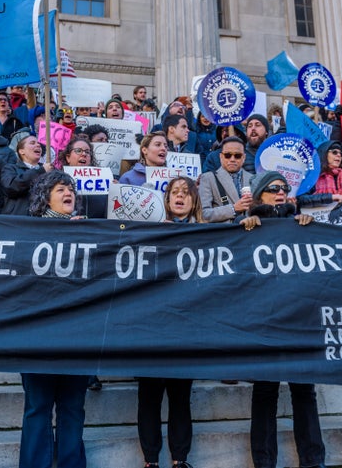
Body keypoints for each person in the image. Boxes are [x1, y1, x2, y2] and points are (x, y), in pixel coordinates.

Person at [236, 171, 326, 468]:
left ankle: (313, 461)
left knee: (304, 391)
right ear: (260, 194)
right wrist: (242, 228)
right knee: (265, 392)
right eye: (273, 188)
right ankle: (264, 462)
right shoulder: (247, 227)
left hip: (298, 318)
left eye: (284, 188)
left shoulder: (301, 224)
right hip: (264, 321)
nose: (280, 192)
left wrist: (309, 229)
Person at [20, 170, 88, 468]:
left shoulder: (90, 232)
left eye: (71, 188)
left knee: (73, 408)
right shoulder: (28, 233)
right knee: (38, 407)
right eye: (61, 188)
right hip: (37, 337)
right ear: (45, 196)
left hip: (77, 336)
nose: (68, 192)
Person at [137, 176, 202, 468]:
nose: (180, 197)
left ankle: (180, 460)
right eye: (174, 192)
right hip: (151, 327)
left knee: (180, 397)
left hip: (186, 327)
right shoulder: (149, 231)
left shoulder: (207, 234)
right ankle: (151, 460)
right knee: (149, 397)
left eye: (186, 193)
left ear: (194, 201)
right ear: (166, 199)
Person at [198, 136, 252, 223]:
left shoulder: (253, 179)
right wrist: (233, 209)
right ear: (221, 157)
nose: (232, 159)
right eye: (228, 155)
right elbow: (203, 214)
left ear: (244, 157)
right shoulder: (208, 178)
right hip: (223, 233)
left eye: (237, 156)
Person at [1, 129, 53, 215]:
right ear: (21, 151)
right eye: (32, 143)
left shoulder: (49, 171)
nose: (38, 145)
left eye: (38, 144)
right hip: (17, 220)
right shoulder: (10, 168)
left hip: (41, 221)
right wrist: (40, 171)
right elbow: (10, 187)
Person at [298, 140, 342, 208]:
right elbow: (301, 199)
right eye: (334, 152)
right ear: (324, 154)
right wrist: (330, 197)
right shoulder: (312, 178)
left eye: (341, 153)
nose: (339, 155)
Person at [58, 136, 106, 219]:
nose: (84, 154)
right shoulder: (56, 180)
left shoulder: (104, 180)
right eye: (78, 151)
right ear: (68, 157)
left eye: (87, 152)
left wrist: (114, 190)